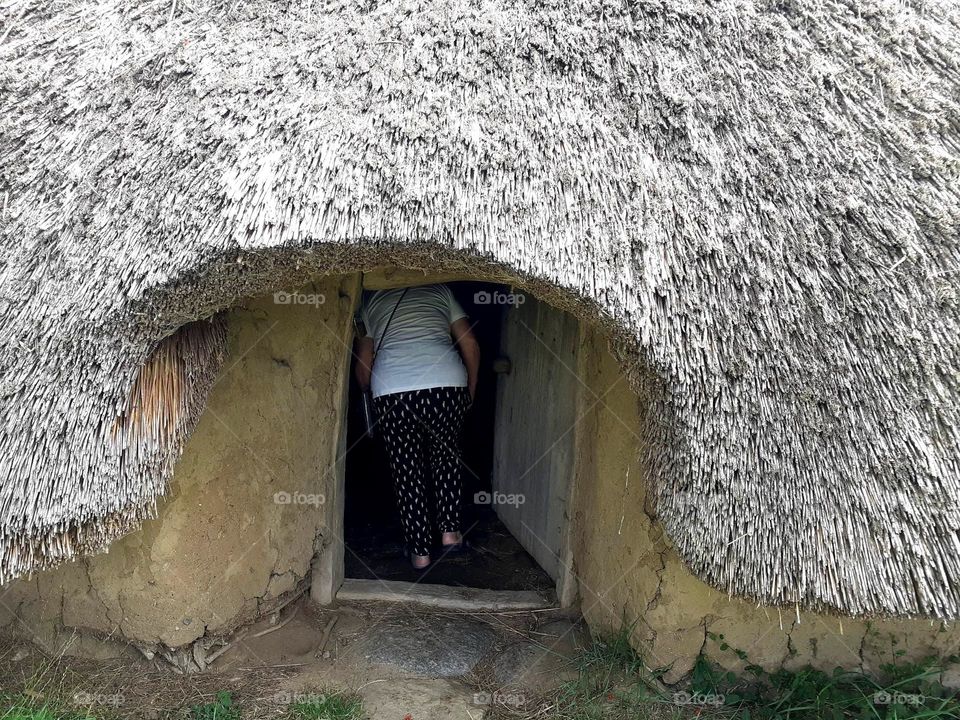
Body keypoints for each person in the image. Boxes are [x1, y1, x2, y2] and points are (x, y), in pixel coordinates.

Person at [355, 284, 480, 570]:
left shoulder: (371, 298)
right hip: (446, 387)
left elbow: (364, 363)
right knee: (446, 459)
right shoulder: (442, 290)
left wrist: (368, 392)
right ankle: (450, 534)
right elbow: (470, 343)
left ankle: (420, 553)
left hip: (393, 390)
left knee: (406, 470)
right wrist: (470, 389)